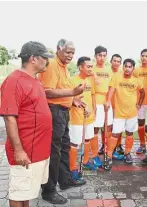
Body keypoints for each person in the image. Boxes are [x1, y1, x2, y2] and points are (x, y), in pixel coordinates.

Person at [0, 41, 52, 207]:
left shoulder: (35, 80)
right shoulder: (14, 81)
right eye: (45, 58)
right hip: (26, 150)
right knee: (18, 191)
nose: (47, 61)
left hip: (38, 149)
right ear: (33, 59)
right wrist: (18, 150)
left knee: (27, 191)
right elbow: (9, 117)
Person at [39, 39, 86, 204]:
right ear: (58, 49)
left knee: (64, 147)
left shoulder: (64, 67)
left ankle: (65, 180)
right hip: (54, 112)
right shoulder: (52, 64)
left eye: (73, 53)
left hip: (63, 112)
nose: (70, 56)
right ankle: (48, 190)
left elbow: (60, 90)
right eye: (67, 52)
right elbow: (48, 92)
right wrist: (73, 92)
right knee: (54, 151)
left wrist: (73, 100)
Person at [105, 59, 145, 165]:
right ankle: (108, 155)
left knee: (129, 133)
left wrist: (139, 103)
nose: (127, 69)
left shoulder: (137, 81)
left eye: (130, 67)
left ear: (133, 68)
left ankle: (127, 153)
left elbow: (142, 92)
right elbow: (111, 90)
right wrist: (108, 100)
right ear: (123, 67)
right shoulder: (116, 77)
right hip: (119, 113)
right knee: (115, 134)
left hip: (132, 113)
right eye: (126, 66)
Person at [69, 56, 100, 181]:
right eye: (88, 66)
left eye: (91, 66)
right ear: (80, 67)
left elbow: (92, 95)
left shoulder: (90, 80)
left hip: (89, 116)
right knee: (75, 143)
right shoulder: (72, 80)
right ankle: (72, 168)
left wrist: (93, 109)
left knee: (88, 138)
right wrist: (82, 107)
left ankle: (86, 161)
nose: (90, 69)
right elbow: (68, 98)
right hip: (77, 117)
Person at [92, 46, 123, 160]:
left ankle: (107, 150)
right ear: (95, 56)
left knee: (108, 127)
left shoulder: (109, 71)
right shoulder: (91, 69)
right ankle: (95, 155)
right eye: (99, 55)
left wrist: (108, 100)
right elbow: (91, 90)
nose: (102, 58)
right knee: (95, 128)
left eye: (104, 55)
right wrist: (94, 105)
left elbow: (111, 87)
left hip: (106, 103)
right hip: (96, 102)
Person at [133, 49, 147, 154]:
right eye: (143, 55)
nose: (144, 58)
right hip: (139, 102)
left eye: (146, 56)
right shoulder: (136, 71)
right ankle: (142, 144)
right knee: (141, 124)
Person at [110, 54, 124, 154]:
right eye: (114, 61)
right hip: (109, 103)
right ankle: (105, 145)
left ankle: (118, 145)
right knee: (108, 126)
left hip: (119, 104)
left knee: (119, 126)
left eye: (118, 61)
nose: (116, 63)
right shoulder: (107, 71)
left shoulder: (122, 73)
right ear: (111, 61)